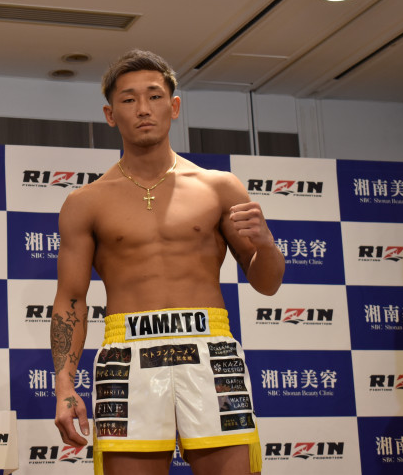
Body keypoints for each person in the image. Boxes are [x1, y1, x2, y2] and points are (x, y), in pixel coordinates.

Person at [51, 49, 284, 475]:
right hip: (127, 353)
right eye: (128, 99)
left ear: (174, 106)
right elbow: (71, 299)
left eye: (154, 96)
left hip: (211, 349)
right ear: (110, 114)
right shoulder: (86, 202)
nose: (143, 109)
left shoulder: (219, 188)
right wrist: (64, 382)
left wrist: (266, 245)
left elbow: (267, 284)